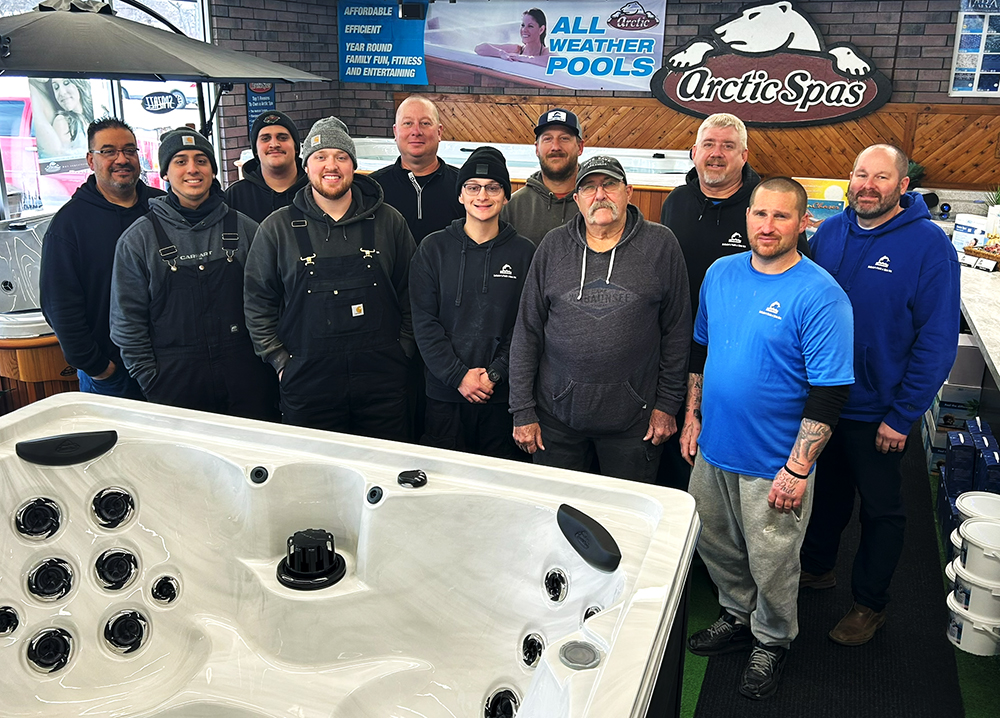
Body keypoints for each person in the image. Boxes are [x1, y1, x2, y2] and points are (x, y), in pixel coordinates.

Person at [682, 177, 854, 700]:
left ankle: (772, 640)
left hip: (774, 461)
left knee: (774, 561)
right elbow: (700, 353)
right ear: (748, 216)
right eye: (760, 214)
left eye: (782, 217)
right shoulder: (720, 273)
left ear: (804, 223)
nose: (768, 226)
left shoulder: (822, 295)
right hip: (714, 448)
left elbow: (830, 393)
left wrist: (798, 468)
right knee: (715, 543)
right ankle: (736, 614)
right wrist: (692, 418)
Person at [800, 144, 961, 646]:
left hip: (880, 411)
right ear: (850, 179)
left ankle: (870, 604)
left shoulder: (929, 246)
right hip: (825, 401)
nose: (868, 185)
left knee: (881, 509)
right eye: (861, 175)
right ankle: (819, 568)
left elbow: (936, 340)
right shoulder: (828, 232)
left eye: (881, 177)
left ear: (903, 186)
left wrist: (904, 413)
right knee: (825, 493)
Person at [508, 156, 691, 482]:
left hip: (635, 423)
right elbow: (528, 330)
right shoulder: (553, 246)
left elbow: (677, 332)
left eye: (609, 185)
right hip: (556, 419)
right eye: (589, 187)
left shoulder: (661, 245)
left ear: (628, 192)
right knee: (557, 512)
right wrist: (522, 410)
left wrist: (667, 407)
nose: (600, 194)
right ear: (577, 199)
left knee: (626, 519)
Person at [657, 113, 811, 491]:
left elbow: (795, 282)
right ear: (693, 152)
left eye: (727, 146)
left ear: (744, 155)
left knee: (738, 476)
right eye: (709, 144)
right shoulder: (675, 203)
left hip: (748, 365)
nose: (716, 153)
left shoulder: (766, 209)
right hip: (679, 355)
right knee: (678, 457)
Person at [244, 117, 417, 441]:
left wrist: (403, 348)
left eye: (340, 157)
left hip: (381, 383)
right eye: (320, 157)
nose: (331, 166)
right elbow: (257, 301)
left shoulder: (389, 222)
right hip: (308, 386)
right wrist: (280, 361)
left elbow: (413, 292)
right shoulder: (277, 228)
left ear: (353, 165)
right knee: (314, 482)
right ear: (306, 167)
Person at [110, 127, 278, 420]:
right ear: (165, 173)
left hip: (248, 383)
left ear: (213, 170)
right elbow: (127, 323)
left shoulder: (246, 229)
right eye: (180, 161)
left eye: (201, 160)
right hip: (175, 388)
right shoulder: (138, 240)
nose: (192, 169)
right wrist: (152, 380)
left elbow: (273, 303)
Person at [409, 147, 534, 459]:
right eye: (473, 187)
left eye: (493, 187)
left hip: (501, 398)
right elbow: (424, 322)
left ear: (506, 196)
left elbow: (526, 326)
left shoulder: (525, 253)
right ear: (461, 196)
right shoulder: (432, 249)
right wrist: (458, 376)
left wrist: (494, 375)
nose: (483, 195)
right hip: (445, 396)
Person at [40, 118, 165, 400]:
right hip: (113, 376)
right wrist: (98, 367)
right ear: (90, 159)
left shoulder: (161, 208)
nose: (122, 159)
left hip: (171, 364)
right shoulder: (69, 224)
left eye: (130, 150)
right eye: (109, 151)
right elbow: (59, 306)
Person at [369, 96, 464, 244]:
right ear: (395, 132)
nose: (416, 131)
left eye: (425, 123)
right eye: (408, 123)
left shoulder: (464, 186)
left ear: (439, 132)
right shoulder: (372, 188)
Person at [500, 108, 583, 244]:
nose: (555, 146)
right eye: (547, 139)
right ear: (537, 148)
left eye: (564, 138)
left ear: (580, 147)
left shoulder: (595, 202)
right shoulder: (513, 208)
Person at [225, 110, 308, 224]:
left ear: (296, 148)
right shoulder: (235, 196)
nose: (274, 144)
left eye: (282, 137)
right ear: (255, 151)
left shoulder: (315, 189)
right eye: (265, 138)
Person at [29, 78, 94, 159]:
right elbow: (65, 158)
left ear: (78, 84)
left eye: (66, 83)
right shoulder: (62, 121)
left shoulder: (92, 115)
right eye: (56, 87)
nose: (62, 93)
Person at [475, 8, 550, 67]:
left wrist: (522, 58)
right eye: (523, 25)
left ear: (541, 30)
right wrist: (500, 53)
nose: (524, 30)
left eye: (530, 26)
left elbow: (555, 62)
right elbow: (479, 48)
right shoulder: (516, 49)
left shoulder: (545, 52)